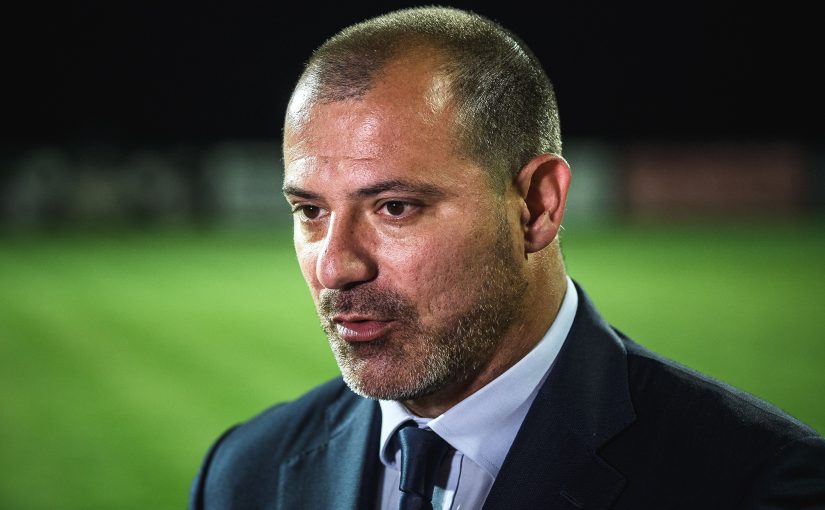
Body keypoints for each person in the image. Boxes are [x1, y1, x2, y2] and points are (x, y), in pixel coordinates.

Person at [189, 6, 825, 509]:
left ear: (538, 206)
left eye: (395, 207)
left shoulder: (755, 483)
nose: (335, 267)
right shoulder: (243, 474)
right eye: (310, 211)